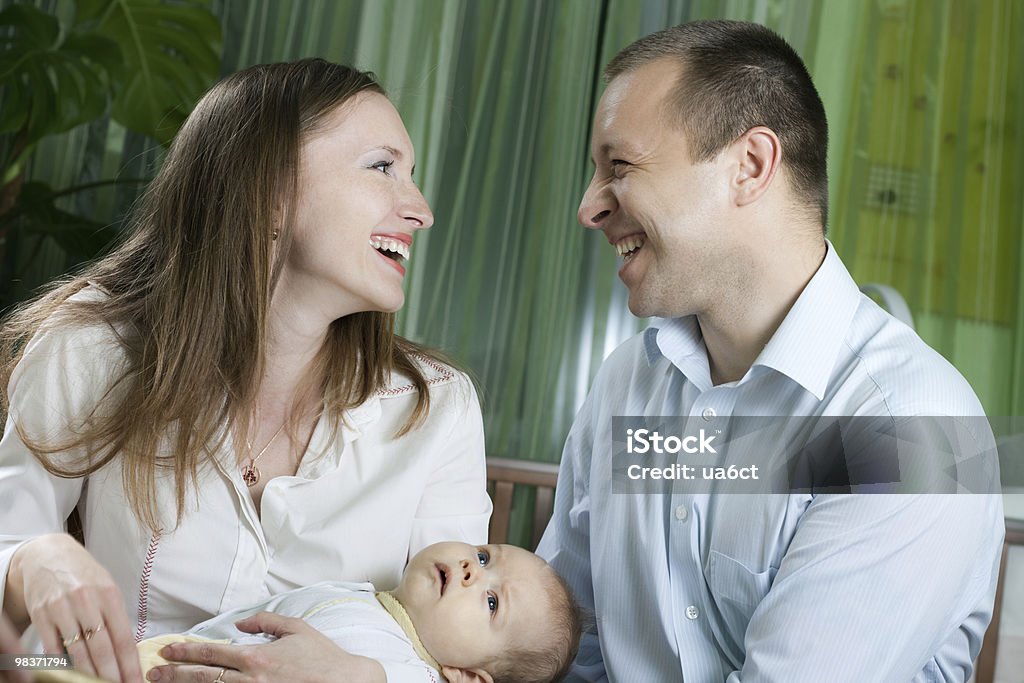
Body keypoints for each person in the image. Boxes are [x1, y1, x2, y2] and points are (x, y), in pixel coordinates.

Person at [536, 19, 1004, 682]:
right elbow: (557, 645)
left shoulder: (909, 424)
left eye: (620, 167)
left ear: (750, 166)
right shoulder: (628, 384)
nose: (589, 206)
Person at [0, 59, 492, 683]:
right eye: (382, 167)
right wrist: (30, 560)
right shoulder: (92, 346)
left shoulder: (439, 409)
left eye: (410, 176)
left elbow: (465, 661)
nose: (420, 209)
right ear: (270, 189)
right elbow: (16, 626)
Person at [37, 542, 582, 683]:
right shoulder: (365, 595)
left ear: (466, 675)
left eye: (491, 600)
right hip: (151, 659)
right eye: (485, 556)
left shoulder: (408, 669)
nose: (471, 569)